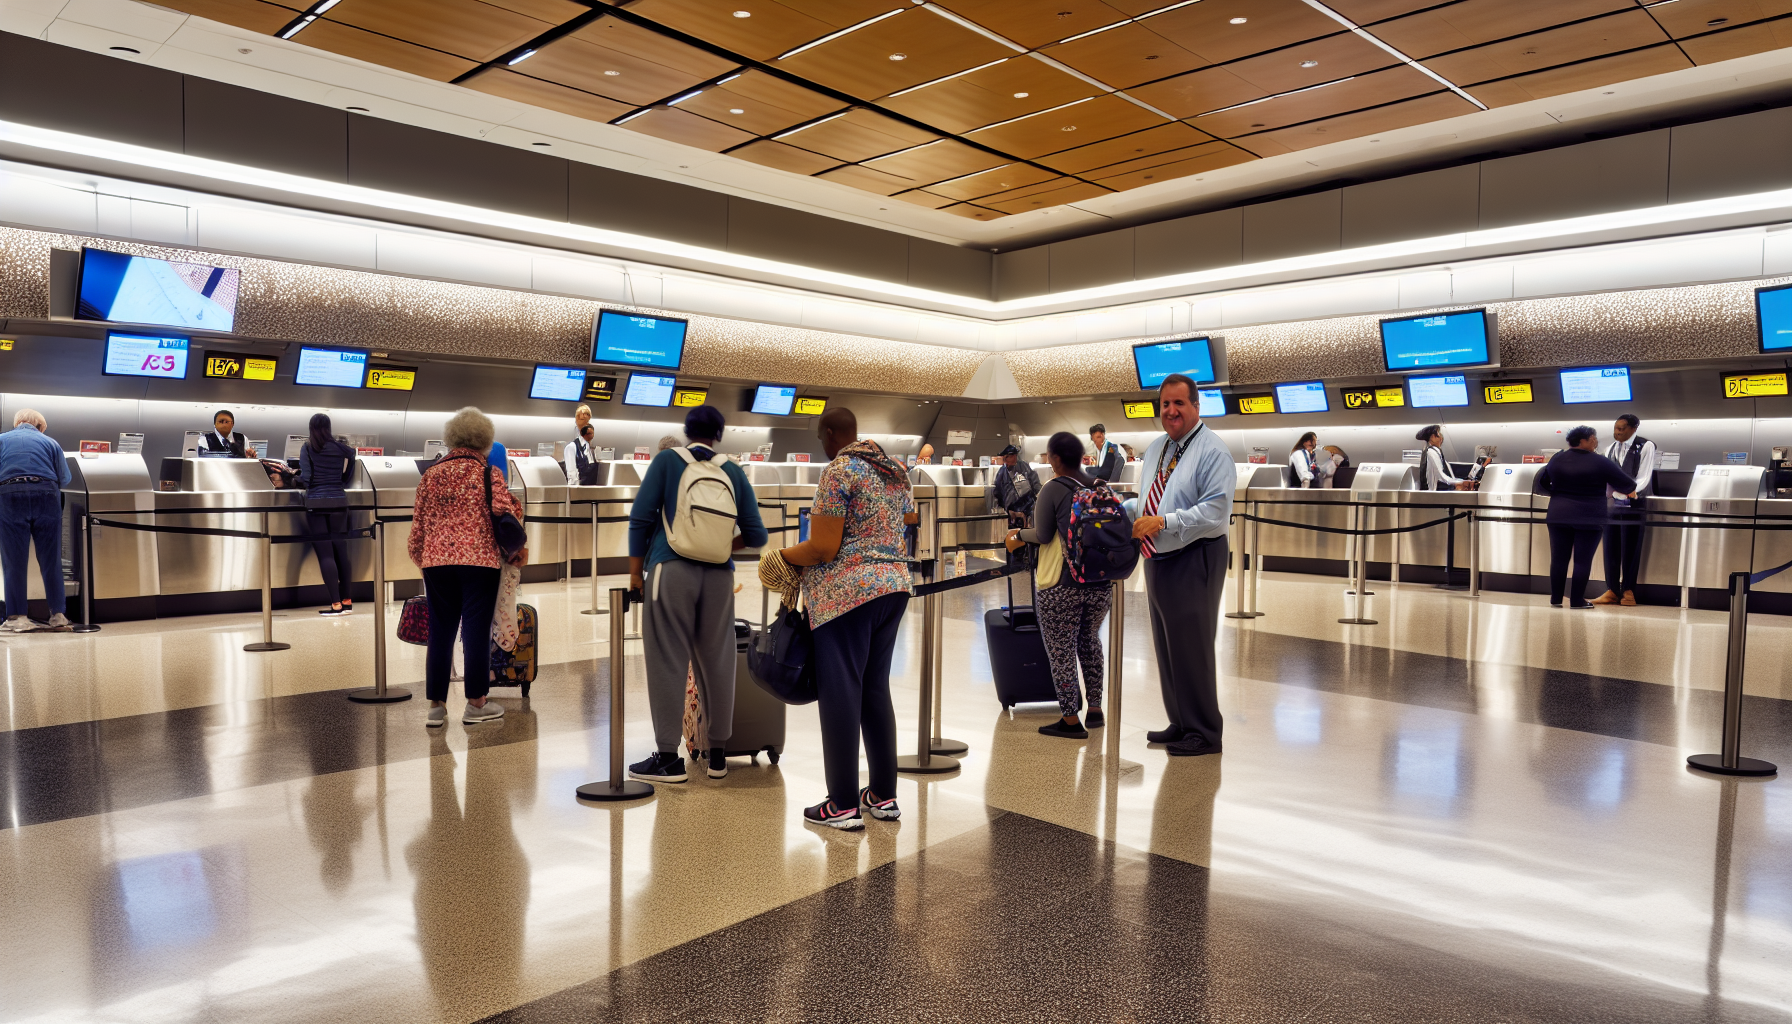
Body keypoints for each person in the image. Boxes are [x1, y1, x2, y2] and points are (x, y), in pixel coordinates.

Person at [778, 407, 917, 829]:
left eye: (822, 438)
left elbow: (822, 546)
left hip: (847, 596)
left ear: (833, 433)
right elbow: (905, 523)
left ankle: (840, 803)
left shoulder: (839, 472)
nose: (822, 447)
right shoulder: (893, 472)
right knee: (874, 690)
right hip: (893, 587)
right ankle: (882, 795)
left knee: (841, 693)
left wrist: (779, 556)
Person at [626, 405, 768, 784]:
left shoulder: (668, 462)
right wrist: (721, 546)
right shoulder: (733, 471)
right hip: (719, 578)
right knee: (718, 660)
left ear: (687, 430)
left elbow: (640, 518)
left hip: (670, 571)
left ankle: (668, 759)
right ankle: (718, 755)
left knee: (667, 659)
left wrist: (634, 576)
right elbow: (757, 534)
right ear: (719, 434)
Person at [1123, 374, 1233, 758]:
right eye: (1165, 404)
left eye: (1179, 404)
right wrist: (1120, 510)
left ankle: (1205, 731)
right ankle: (1182, 720)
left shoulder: (1212, 451)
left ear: (1195, 406)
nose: (1170, 411)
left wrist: (1164, 522)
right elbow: (1148, 498)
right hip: (1159, 554)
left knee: (1193, 644)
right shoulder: (1157, 448)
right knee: (1169, 644)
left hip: (1195, 554)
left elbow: (1215, 511)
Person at [409, 406, 526, 727]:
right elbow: (507, 510)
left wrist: (425, 559)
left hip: (437, 564)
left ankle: (436, 706)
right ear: (485, 441)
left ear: (451, 439)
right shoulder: (488, 474)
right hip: (479, 562)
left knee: (441, 631)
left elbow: (417, 530)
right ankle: (476, 704)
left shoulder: (430, 475)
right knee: (475, 631)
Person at [1005, 431, 1112, 739]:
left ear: (1054, 458)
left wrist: (1016, 536)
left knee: (1061, 649)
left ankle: (1069, 720)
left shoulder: (1054, 488)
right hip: (1100, 582)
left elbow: (1042, 534)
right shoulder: (1098, 486)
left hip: (1062, 584)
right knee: (1090, 641)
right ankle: (1094, 709)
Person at [1536, 425, 1636, 610]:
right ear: (1585, 440)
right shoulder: (1599, 461)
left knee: (1558, 558)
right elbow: (1628, 484)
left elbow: (1541, 483)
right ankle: (1576, 601)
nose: (1595, 442)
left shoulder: (1557, 458)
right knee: (1582, 560)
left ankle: (1556, 598)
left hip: (1558, 514)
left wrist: (1559, 494)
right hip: (1588, 516)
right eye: (1593, 438)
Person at [0, 409, 71, 632]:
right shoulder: (51, 442)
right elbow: (65, 478)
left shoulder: (1, 440)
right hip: (47, 494)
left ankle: (17, 618)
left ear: (17, 423)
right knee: (51, 560)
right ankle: (58, 616)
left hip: (10, 494)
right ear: (40, 426)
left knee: (14, 561)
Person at [299, 413, 358, 615]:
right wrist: (341, 479)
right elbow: (351, 461)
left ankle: (335, 604)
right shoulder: (341, 448)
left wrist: (292, 478)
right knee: (341, 551)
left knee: (326, 554)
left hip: (316, 502)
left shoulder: (308, 447)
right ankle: (348, 601)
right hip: (339, 502)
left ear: (311, 428)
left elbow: (307, 478)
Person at [1593, 413, 1655, 607]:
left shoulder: (1645, 446)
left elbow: (1644, 476)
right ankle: (1612, 589)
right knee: (1610, 547)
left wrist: (1625, 492)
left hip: (1634, 504)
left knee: (1631, 548)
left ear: (1633, 429)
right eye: (1615, 428)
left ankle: (1628, 590)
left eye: (1621, 429)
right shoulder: (1609, 449)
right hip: (1611, 505)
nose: (1617, 432)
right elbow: (1604, 476)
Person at [987, 444, 1041, 527]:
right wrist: (1005, 509)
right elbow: (997, 492)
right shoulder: (1002, 472)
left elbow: (1035, 485)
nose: (1005, 461)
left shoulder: (1024, 467)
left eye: (1007, 458)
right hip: (1011, 512)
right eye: (1004, 459)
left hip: (1027, 507)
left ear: (1014, 456)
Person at [1416, 425, 1477, 491]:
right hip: (1433, 492)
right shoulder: (1431, 452)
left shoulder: (1437, 452)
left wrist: (1461, 481)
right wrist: (1459, 483)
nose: (1441, 438)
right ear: (1432, 437)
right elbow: (1440, 475)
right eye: (1438, 434)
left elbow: (1449, 476)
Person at [564, 419, 599, 486]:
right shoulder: (571, 447)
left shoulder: (590, 448)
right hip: (578, 489)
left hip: (590, 488)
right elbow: (572, 473)